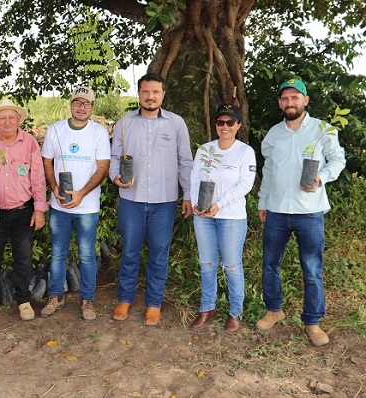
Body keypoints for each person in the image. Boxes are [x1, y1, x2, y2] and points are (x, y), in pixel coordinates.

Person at [257, 78, 346, 346]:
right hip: (276, 211)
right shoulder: (273, 134)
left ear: (305, 100)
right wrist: (263, 202)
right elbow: (269, 171)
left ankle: (313, 321)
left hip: (310, 212)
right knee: (270, 264)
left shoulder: (322, 129)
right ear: (280, 104)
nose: (289, 102)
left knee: (312, 267)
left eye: (295, 97)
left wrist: (322, 177)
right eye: (285, 98)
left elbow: (338, 160)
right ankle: (274, 310)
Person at [109, 73, 193, 326]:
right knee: (130, 251)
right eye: (146, 91)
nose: (150, 96)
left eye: (155, 92)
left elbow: (185, 162)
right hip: (131, 200)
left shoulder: (176, 124)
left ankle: (154, 303)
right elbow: (114, 159)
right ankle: (124, 298)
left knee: (159, 253)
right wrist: (116, 178)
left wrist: (188, 194)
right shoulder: (124, 123)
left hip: (164, 202)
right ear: (139, 94)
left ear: (163, 95)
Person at [0, 98, 48, 321]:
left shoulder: (29, 143)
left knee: (23, 258)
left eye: (11, 117)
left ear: (18, 119)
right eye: (2, 117)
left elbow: (38, 178)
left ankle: (23, 300)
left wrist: (39, 209)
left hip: (23, 210)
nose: (7, 121)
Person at [40, 86, 110, 322]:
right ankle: (56, 296)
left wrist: (81, 193)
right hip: (59, 206)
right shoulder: (56, 130)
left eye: (87, 103)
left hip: (86, 207)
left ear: (92, 107)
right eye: (77, 103)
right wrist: (54, 187)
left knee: (87, 254)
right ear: (71, 105)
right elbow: (47, 161)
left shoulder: (98, 132)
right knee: (58, 253)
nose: (82, 107)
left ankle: (87, 298)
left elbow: (103, 168)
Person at [189, 104, 256, 333]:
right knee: (207, 264)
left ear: (238, 125)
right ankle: (208, 308)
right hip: (204, 217)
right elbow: (195, 179)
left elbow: (245, 184)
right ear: (215, 125)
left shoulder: (245, 152)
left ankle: (235, 312)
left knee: (231, 266)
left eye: (230, 122)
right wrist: (197, 203)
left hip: (231, 218)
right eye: (221, 122)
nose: (225, 126)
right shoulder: (205, 150)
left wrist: (219, 204)